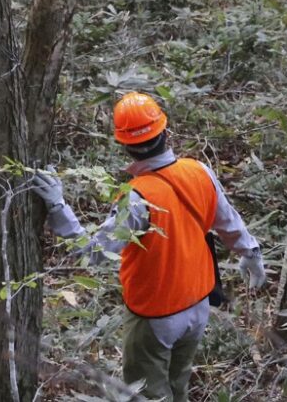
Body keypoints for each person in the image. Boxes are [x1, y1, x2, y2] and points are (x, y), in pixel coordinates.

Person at [31, 92, 268, 401]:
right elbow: (229, 223)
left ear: (124, 145)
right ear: (165, 132)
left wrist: (58, 206)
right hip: (198, 308)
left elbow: (95, 252)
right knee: (178, 385)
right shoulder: (199, 171)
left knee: (148, 395)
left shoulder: (136, 197)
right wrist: (250, 253)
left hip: (156, 315)